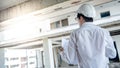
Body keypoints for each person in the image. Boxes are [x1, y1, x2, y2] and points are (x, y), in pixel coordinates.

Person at [59, 4, 116, 68]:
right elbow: (112, 54)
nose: (77, 21)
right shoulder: (104, 32)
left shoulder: (75, 34)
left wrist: (63, 52)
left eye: (77, 19)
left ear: (81, 17)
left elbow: (71, 60)